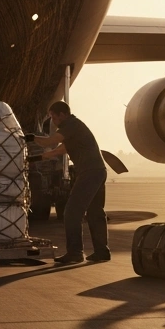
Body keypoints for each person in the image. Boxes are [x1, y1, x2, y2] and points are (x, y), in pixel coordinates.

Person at [29, 102, 109, 264]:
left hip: (89, 172)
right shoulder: (74, 129)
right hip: (98, 171)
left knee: (72, 212)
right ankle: (102, 252)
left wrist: (30, 138)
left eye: (53, 117)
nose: (53, 121)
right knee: (95, 212)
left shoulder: (71, 125)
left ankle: (75, 253)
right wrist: (34, 158)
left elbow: (49, 142)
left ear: (62, 114)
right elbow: (58, 150)